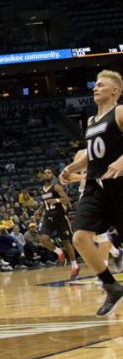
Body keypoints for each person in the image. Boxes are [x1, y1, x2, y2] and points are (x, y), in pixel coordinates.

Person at [60, 70, 123, 316]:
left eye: (100, 85)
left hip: (120, 183)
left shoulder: (119, 112)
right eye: (95, 85)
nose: (95, 88)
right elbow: (93, 153)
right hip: (97, 186)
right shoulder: (91, 121)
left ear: (114, 90)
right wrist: (73, 167)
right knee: (79, 238)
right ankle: (112, 287)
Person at [35, 168, 79, 279]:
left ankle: (74, 266)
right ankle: (59, 253)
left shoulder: (56, 187)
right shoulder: (43, 189)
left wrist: (57, 200)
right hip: (48, 217)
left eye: (49, 172)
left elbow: (67, 199)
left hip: (60, 217)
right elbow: (45, 203)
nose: (47, 174)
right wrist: (39, 210)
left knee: (67, 242)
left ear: (53, 175)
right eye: (45, 173)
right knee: (43, 239)